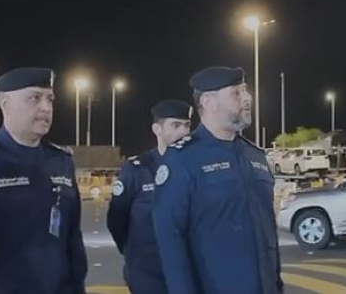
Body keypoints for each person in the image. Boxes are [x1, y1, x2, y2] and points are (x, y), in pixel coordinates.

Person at [0, 67, 87, 294]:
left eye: (50, 99)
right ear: (5, 104)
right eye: (34, 98)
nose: (45, 107)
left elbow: (72, 238)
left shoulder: (61, 161)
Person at [152, 66, 283, 294]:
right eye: (236, 93)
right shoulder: (182, 159)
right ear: (209, 102)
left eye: (245, 90)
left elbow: (267, 229)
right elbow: (170, 239)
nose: (247, 98)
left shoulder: (255, 155)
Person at [107, 99, 193, 294]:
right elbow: (117, 220)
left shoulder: (196, 168)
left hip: (187, 268)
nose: (184, 132)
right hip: (148, 270)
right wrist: (133, 252)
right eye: (176, 125)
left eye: (187, 125)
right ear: (157, 129)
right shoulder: (137, 170)